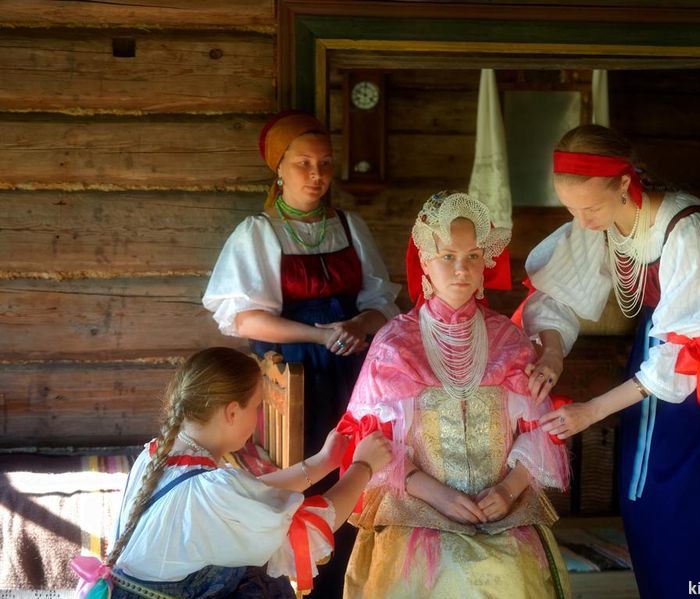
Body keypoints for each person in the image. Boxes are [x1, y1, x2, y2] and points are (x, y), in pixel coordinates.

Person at [521, 124, 700, 598]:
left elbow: (689, 354)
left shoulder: (692, 231)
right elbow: (557, 297)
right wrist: (551, 353)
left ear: (623, 184)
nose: (582, 222)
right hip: (660, 361)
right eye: (571, 210)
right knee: (648, 497)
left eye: (589, 209)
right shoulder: (604, 223)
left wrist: (591, 411)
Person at [341, 191, 571, 599]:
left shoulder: (510, 341)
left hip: (501, 508)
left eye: (473, 257)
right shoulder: (395, 344)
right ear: (424, 261)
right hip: (416, 507)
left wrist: (508, 490)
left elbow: (540, 430)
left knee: (510, 576)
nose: (462, 268)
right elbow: (370, 442)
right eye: (448, 256)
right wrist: (437, 495)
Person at [71, 347, 392, 599]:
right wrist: (362, 468)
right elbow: (303, 532)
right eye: (257, 406)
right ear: (232, 412)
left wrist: (323, 462)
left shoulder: (157, 454)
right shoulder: (212, 491)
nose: (258, 417)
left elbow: (248, 494)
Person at [202, 110, 400, 460]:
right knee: (308, 459)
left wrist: (358, 325)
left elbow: (382, 302)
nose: (317, 174)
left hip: (358, 364)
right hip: (293, 372)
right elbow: (245, 320)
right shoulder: (258, 232)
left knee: (365, 459)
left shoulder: (350, 226)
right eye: (303, 163)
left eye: (325, 163)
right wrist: (321, 336)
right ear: (279, 167)